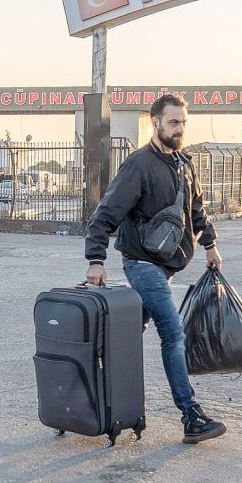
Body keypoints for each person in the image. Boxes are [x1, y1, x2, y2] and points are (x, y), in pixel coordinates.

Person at [84, 94, 226, 445]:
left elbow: (196, 211)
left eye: (183, 122)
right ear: (156, 122)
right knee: (173, 333)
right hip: (142, 264)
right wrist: (96, 259)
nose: (179, 128)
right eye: (173, 122)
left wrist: (210, 245)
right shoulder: (138, 165)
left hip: (167, 267)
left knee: (129, 330)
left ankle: (96, 384)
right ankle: (190, 415)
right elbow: (106, 213)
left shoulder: (184, 164)